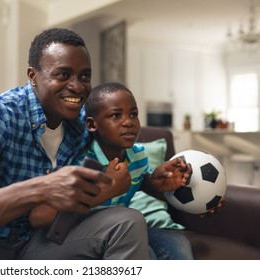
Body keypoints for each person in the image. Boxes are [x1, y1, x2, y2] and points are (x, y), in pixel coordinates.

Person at [0, 28, 153, 260]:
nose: (77, 86)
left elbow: (122, 140)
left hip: (39, 242)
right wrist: (43, 188)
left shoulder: (81, 123)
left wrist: (159, 179)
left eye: (84, 76)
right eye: (63, 74)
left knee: (127, 222)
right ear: (33, 76)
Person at [30, 82, 194, 259]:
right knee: (148, 254)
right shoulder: (79, 161)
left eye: (133, 114)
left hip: (121, 233)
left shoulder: (138, 156)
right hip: (74, 235)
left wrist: (156, 181)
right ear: (92, 125)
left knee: (177, 244)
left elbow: (140, 183)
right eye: (116, 115)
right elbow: (39, 216)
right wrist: (103, 190)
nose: (128, 122)